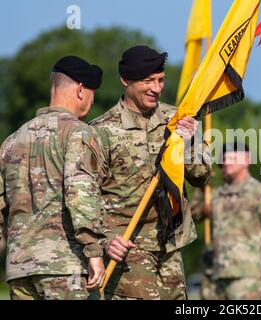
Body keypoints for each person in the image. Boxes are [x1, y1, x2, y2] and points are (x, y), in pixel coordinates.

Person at [89, 45, 211, 300]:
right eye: (148, 81)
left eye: (161, 80)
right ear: (125, 80)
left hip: (171, 246)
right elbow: (84, 196)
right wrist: (105, 240)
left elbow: (202, 176)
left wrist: (189, 144)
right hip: (127, 249)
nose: (156, 88)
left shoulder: (176, 119)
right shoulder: (100, 131)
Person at [0, 56, 107, 300]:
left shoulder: (12, 141)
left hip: (19, 270)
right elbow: (81, 194)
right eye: (92, 93)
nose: (92, 100)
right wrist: (94, 251)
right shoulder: (78, 133)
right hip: (64, 267)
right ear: (81, 90)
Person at [192, 142, 261, 300]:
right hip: (215, 275)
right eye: (224, 158)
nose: (226, 160)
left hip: (246, 276)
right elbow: (195, 214)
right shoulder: (217, 195)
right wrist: (203, 184)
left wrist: (258, 249)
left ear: (246, 160)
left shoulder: (260, 193)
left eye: (232, 156)